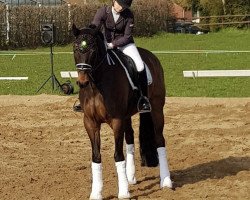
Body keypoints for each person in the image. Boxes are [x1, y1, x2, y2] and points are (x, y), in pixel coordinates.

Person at [74, 0, 151, 113]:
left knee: (139, 66)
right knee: (90, 63)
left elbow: (127, 37)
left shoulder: (129, 15)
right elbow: (94, 28)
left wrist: (113, 44)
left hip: (125, 45)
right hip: (105, 43)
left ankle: (142, 98)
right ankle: (84, 99)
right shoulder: (103, 11)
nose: (121, 8)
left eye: (124, 6)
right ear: (114, 1)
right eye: (120, 4)